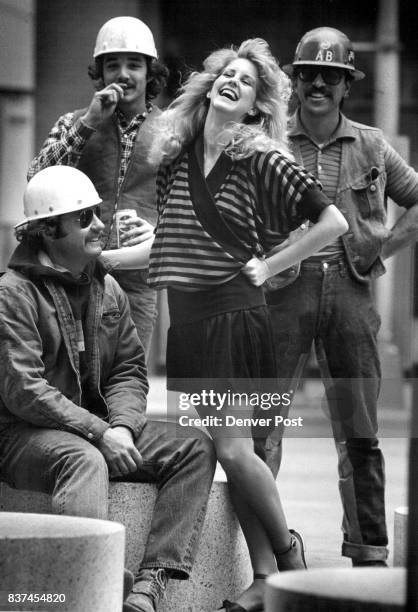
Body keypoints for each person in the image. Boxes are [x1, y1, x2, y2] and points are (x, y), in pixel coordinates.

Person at [144, 38, 348, 612]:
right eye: (226, 74)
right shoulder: (176, 158)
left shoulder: (259, 155)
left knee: (234, 451)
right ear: (210, 86)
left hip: (234, 316)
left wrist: (273, 263)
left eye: (248, 81)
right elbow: (170, 244)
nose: (232, 81)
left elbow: (331, 221)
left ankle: (289, 561)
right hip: (185, 323)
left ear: (258, 106)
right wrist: (107, 257)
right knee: (233, 451)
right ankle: (262, 578)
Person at [0, 166, 216, 612]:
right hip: (23, 436)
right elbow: (24, 390)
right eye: (84, 218)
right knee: (83, 458)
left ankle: (147, 585)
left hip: (98, 426)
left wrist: (119, 426)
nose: (100, 224)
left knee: (193, 447)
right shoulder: (13, 295)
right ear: (47, 229)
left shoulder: (108, 287)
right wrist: (99, 434)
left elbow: (129, 370)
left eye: (97, 213)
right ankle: (81, 589)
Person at [266, 26, 418, 567]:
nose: (318, 85)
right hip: (284, 292)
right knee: (264, 430)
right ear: (295, 80)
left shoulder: (372, 145)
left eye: (330, 76)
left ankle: (369, 553)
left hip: (351, 291)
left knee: (360, 432)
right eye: (308, 74)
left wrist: (381, 252)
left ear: (345, 84)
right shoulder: (270, 139)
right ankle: (262, 555)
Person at [27, 16, 169, 356]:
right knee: (73, 370)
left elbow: (185, 203)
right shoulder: (74, 122)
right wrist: (89, 122)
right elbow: (37, 178)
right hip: (74, 272)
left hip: (137, 278)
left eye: (134, 65)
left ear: (150, 72)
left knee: (128, 373)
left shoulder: (172, 129)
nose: (123, 74)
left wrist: (156, 230)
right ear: (100, 73)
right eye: (112, 65)